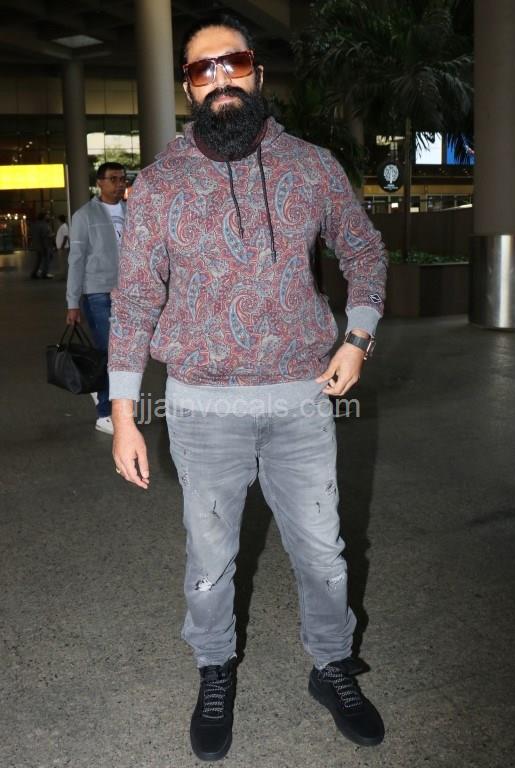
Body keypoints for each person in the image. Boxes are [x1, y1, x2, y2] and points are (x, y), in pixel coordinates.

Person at [109, 13, 387, 762]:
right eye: (202, 70)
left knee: (323, 553)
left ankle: (331, 665)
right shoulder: (158, 186)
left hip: (300, 399)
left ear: (256, 72)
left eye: (231, 63)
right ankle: (213, 670)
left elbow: (363, 251)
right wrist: (125, 416)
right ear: (188, 89)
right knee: (209, 562)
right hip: (201, 408)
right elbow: (133, 304)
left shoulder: (312, 166)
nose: (220, 79)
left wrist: (358, 335)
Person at [66, 162, 126, 435]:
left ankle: (111, 398)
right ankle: (104, 412)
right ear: (99, 182)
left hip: (127, 292)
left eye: (122, 179)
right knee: (108, 353)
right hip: (98, 292)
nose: (119, 184)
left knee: (124, 353)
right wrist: (73, 302)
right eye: (113, 179)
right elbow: (76, 260)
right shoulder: (84, 215)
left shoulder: (132, 211)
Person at [30, 211, 53, 279]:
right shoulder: (44, 225)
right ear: (44, 217)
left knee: (38, 260)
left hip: (37, 245)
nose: (49, 217)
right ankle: (44, 273)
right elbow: (44, 236)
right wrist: (51, 235)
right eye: (47, 215)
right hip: (44, 245)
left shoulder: (35, 224)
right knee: (46, 259)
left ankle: (34, 273)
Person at [55, 214, 69, 279]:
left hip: (63, 247)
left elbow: (65, 237)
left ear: (59, 220)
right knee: (62, 261)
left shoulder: (64, 227)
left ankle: (65, 275)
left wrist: (62, 246)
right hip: (61, 247)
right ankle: (64, 274)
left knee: (63, 262)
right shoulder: (62, 226)